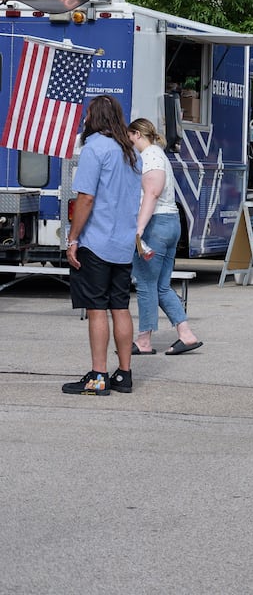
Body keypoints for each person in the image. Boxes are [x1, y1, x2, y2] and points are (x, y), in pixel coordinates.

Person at [63, 95, 143, 396]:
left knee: (97, 309)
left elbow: (86, 198)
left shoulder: (94, 147)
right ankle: (124, 374)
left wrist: (73, 238)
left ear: (93, 118)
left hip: (96, 242)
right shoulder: (131, 152)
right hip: (123, 243)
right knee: (120, 307)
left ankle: (98, 376)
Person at [127, 118, 200, 357]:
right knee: (161, 286)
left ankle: (144, 341)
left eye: (130, 137)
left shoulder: (150, 157)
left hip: (155, 224)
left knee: (146, 285)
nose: (128, 142)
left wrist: (139, 229)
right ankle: (186, 334)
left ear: (137, 134)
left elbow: (152, 192)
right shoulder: (160, 154)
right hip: (171, 223)